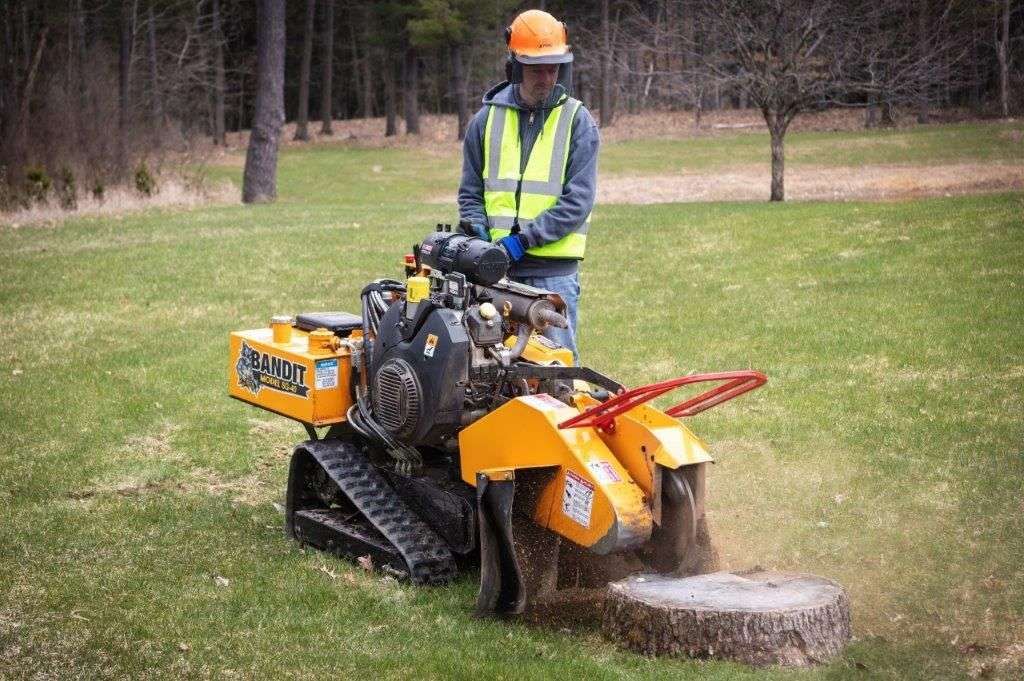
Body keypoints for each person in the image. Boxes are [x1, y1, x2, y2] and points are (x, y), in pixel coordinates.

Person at [458, 9, 599, 364]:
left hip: (553, 277)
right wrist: (479, 237)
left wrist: (522, 242)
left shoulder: (577, 121)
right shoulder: (486, 119)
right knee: (491, 371)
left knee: (556, 370)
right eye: (537, 69)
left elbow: (577, 202)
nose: (547, 77)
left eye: (554, 68)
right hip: (497, 271)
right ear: (516, 67)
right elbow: (470, 193)